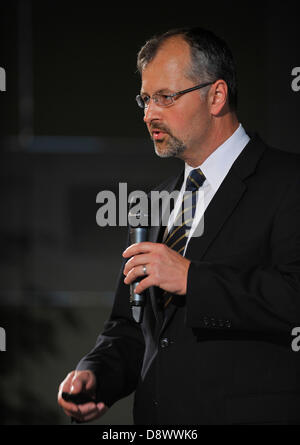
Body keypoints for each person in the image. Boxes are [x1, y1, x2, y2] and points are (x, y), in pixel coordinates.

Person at [58, 27, 300, 425]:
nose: (149, 113)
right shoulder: (150, 206)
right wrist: (96, 374)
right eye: (145, 99)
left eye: (165, 97)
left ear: (217, 96)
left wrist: (194, 280)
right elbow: (133, 329)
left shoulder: (288, 181)